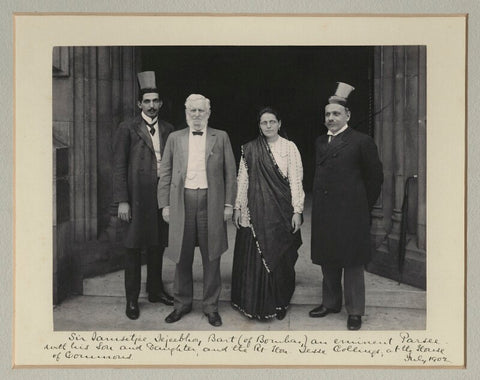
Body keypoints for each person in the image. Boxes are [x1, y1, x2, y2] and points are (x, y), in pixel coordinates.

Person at [157, 94, 237, 327]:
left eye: (201, 111)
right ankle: (181, 304)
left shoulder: (220, 137)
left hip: (211, 201)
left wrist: (229, 204)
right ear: (186, 113)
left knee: (212, 255)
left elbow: (230, 173)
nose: (197, 115)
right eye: (192, 111)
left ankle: (211, 306)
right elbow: (166, 173)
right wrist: (165, 204)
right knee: (181, 255)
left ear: (208, 113)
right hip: (182, 200)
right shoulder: (174, 138)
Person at [309, 82, 383, 330]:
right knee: (328, 259)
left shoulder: (362, 141)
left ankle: (355, 311)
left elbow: (375, 179)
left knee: (352, 263)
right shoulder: (320, 142)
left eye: (336, 114)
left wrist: (361, 206)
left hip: (352, 213)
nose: (331, 118)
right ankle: (330, 303)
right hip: (325, 212)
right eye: (327, 114)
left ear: (347, 116)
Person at [231, 107, 304, 321]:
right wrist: (238, 206)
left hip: (281, 213)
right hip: (255, 211)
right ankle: (251, 303)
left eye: (272, 122)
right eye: (264, 123)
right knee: (255, 256)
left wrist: (297, 211)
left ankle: (280, 302)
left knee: (281, 257)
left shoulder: (289, 148)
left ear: (280, 124)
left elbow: (296, 181)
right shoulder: (250, 149)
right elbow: (242, 180)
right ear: (259, 126)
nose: (269, 126)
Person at [113, 71, 175, 320]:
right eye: (146, 101)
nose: (151, 105)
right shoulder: (127, 128)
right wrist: (123, 200)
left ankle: (155, 290)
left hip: (160, 197)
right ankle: (131, 300)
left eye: (155, 101)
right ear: (140, 104)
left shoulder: (169, 129)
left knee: (157, 245)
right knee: (132, 248)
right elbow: (118, 165)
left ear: (160, 103)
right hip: (136, 198)